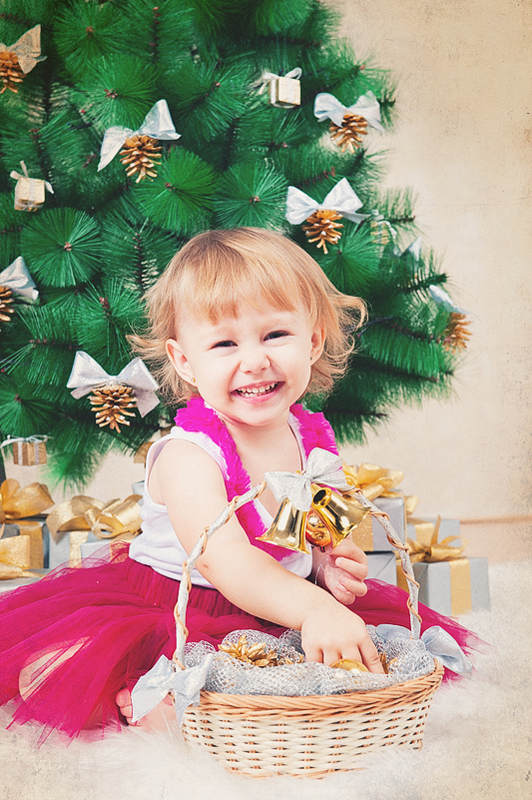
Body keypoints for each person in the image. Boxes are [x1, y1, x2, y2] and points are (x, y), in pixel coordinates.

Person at [0, 228, 480, 741]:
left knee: (351, 672)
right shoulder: (188, 456)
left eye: (275, 335)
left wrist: (328, 567)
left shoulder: (312, 438)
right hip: (183, 607)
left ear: (313, 341)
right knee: (199, 689)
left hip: (283, 603)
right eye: (225, 343)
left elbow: (315, 530)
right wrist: (314, 607)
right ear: (185, 361)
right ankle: (133, 688)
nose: (254, 361)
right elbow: (226, 563)